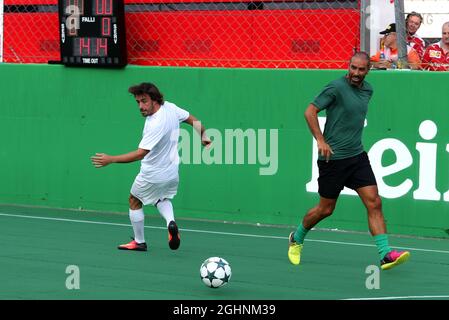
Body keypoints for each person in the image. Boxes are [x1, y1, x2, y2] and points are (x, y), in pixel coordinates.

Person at [287, 52, 410, 271]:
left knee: (374, 202)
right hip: (332, 159)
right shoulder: (335, 87)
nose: (355, 73)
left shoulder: (368, 90)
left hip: (357, 157)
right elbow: (310, 111)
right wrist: (320, 140)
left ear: (367, 70)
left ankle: (385, 255)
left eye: (361, 69)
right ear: (348, 66)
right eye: (353, 68)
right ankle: (296, 238)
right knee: (325, 209)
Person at [91, 82, 211, 251]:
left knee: (134, 200)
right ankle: (171, 222)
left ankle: (139, 242)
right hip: (171, 173)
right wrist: (203, 135)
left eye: (144, 101)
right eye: (138, 102)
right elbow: (193, 120)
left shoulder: (156, 124)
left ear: (155, 100)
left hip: (151, 174)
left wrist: (111, 159)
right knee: (161, 198)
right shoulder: (170, 108)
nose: (141, 106)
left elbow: (141, 153)